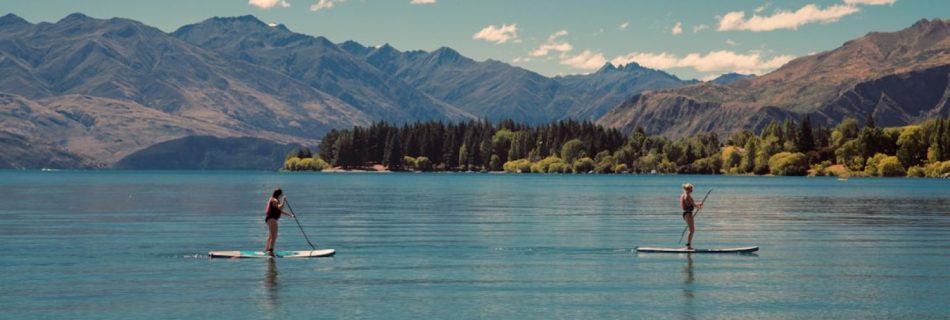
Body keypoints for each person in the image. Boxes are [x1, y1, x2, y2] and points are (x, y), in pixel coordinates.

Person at [264, 188, 295, 256]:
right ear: (279, 194)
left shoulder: (274, 200)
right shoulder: (274, 200)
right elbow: (280, 208)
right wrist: (283, 201)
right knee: (274, 236)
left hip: (270, 219)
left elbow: (279, 211)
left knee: (271, 235)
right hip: (272, 219)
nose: (281, 196)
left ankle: (266, 249)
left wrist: (290, 215)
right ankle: (270, 251)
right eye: (281, 194)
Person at [680, 183, 702, 250]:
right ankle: (688, 246)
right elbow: (694, 205)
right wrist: (699, 206)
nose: (692, 191)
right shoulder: (688, 196)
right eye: (691, 189)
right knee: (692, 230)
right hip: (688, 214)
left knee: (691, 230)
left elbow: (692, 204)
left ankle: (688, 245)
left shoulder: (683, 195)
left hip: (686, 214)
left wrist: (698, 205)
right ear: (689, 189)